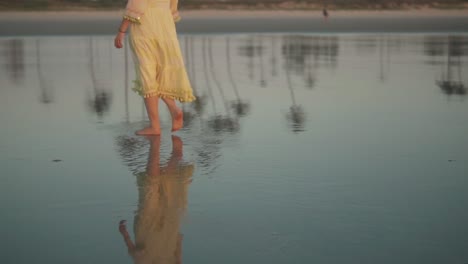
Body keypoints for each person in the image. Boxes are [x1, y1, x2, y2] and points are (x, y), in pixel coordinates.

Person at [114, 0, 196, 135]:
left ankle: (155, 126)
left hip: (145, 25)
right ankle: (173, 109)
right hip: (165, 24)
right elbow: (172, 6)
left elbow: (137, 4)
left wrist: (122, 30)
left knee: (148, 76)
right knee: (159, 73)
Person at [118, 135, 194, 263]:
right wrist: (178, 242)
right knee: (160, 187)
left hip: (155, 239)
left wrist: (125, 236)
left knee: (155, 186)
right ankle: (166, 150)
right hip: (161, 240)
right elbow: (178, 261)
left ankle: (163, 149)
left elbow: (135, 254)